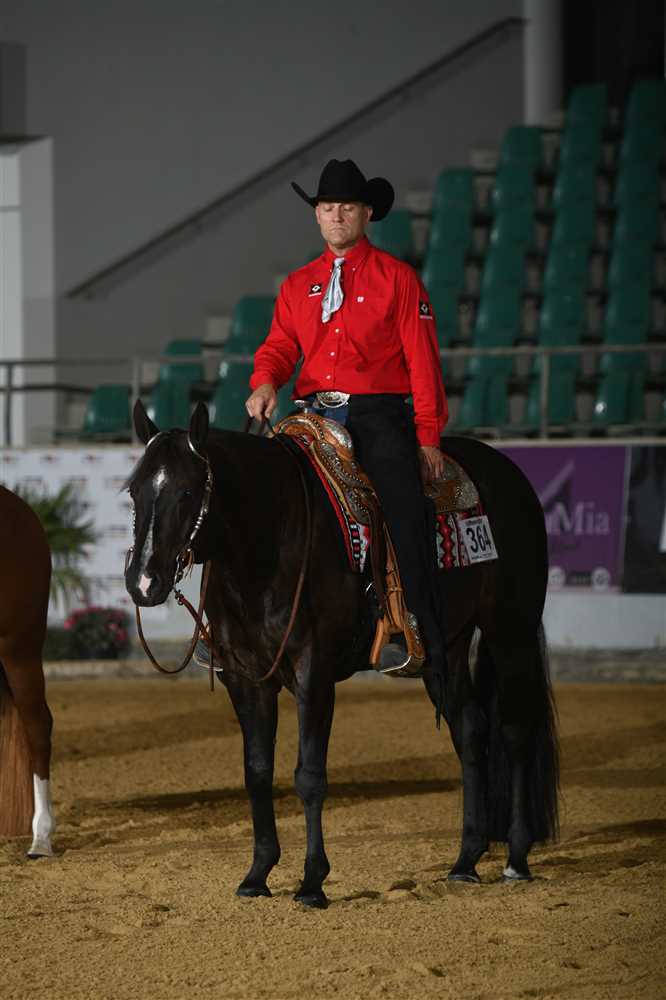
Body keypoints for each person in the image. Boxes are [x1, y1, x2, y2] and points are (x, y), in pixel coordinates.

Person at [245, 158, 449, 691]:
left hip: (377, 415)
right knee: (260, 498)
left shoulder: (398, 279)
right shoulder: (297, 285)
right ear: (317, 216)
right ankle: (237, 625)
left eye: (347, 208)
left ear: (366, 214)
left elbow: (423, 362)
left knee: (403, 507)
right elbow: (279, 347)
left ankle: (418, 628)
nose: (336, 216)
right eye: (328, 208)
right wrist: (265, 382)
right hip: (311, 415)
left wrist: (427, 436)